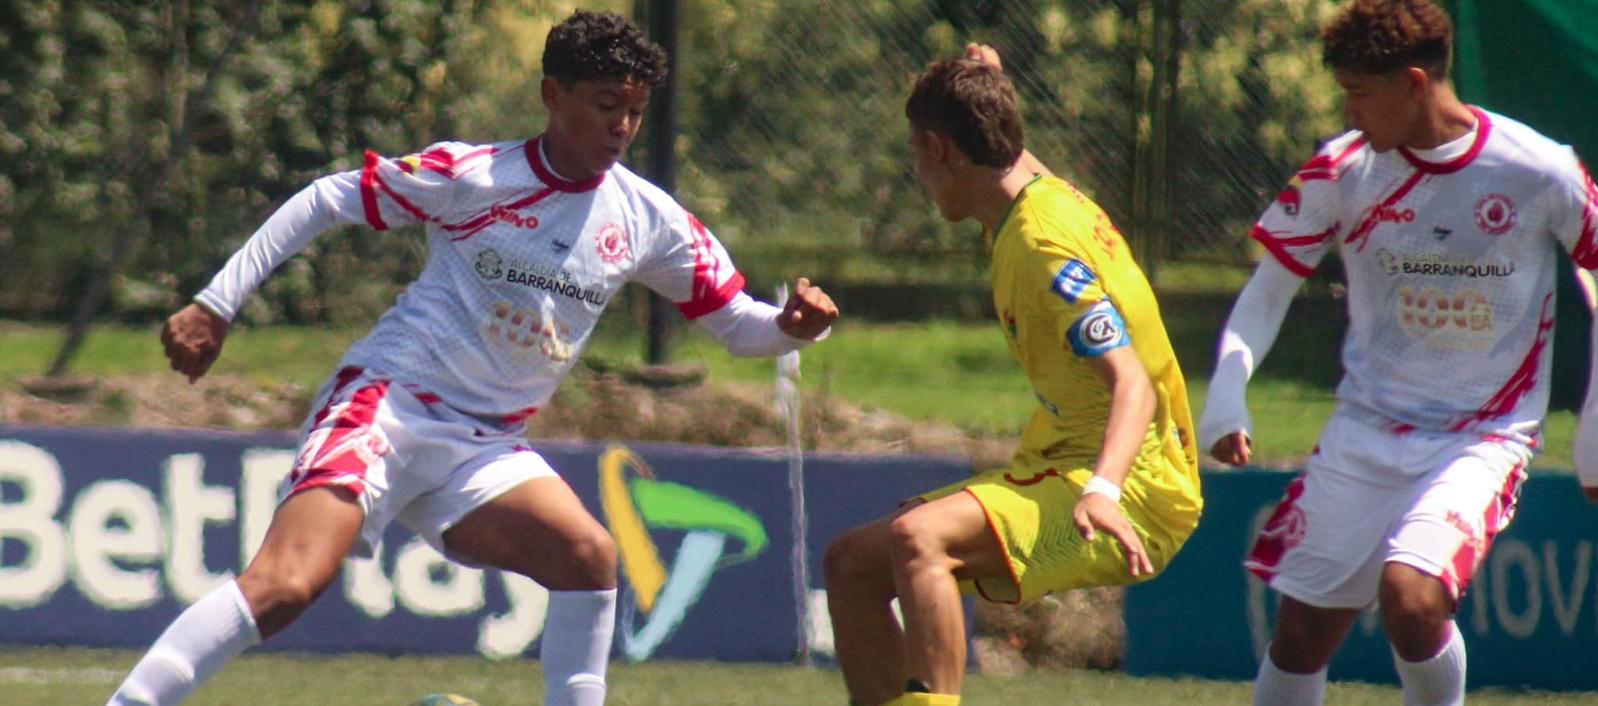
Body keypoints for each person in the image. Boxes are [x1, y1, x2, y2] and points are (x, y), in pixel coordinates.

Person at [106, 10, 838, 706]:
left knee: (587, 558)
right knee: (286, 586)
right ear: (553, 96)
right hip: (387, 407)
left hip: (485, 447)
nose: (622, 126)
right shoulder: (476, 176)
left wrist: (792, 327)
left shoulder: (647, 218)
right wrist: (216, 303)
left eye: (636, 111)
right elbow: (327, 199)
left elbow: (738, 325)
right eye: (606, 105)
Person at [1197, 1, 1598, 704]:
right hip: (1366, 430)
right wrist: (1226, 397)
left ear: (1414, 83)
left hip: (1482, 438)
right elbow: (1268, 291)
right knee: (1301, 633)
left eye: (1358, 92)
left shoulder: (1541, 170)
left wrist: (1594, 428)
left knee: (1411, 599)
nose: (1348, 113)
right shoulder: (1342, 170)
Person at [823, 45, 1202, 706]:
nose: (919, 176)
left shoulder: (1041, 247)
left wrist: (1104, 490)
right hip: (1068, 465)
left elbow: (1133, 384)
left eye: (917, 155)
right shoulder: (1034, 196)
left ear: (940, 149)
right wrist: (990, 86)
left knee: (920, 538)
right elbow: (1012, 156)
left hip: (1128, 488)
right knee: (853, 565)